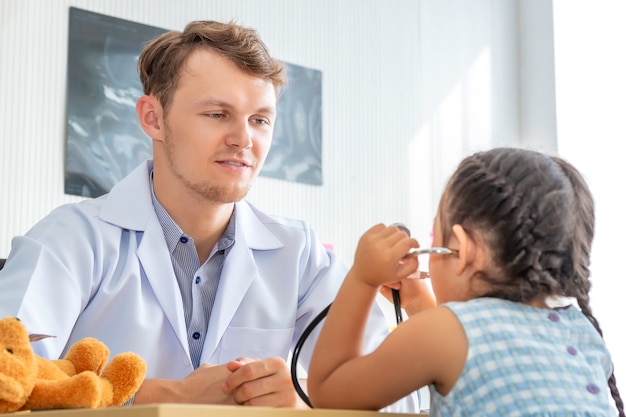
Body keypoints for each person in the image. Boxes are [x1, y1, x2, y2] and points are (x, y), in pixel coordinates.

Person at [0, 20, 417, 411]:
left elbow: (404, 396)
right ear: (153, 118)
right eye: (217, 114)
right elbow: (8, 377)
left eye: (260, 120)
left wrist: (307, 397)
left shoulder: (301, 255)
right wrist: (172, 395)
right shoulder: (70, 240)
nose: (243, 140)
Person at [308, 147, 625, 416]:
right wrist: (419, 304)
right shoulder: (580, 332)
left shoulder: (443, 333)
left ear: (461, 249)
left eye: (435, 235)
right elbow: (469, 348)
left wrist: (363, 277)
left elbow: (329, 389)